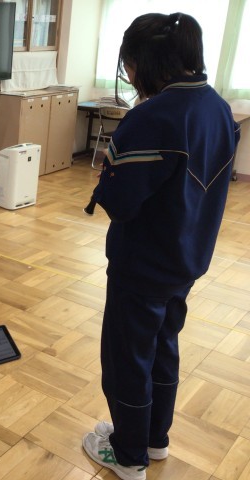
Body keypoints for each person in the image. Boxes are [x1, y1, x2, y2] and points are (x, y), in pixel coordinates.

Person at [81, 12, 240, 480]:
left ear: (145, 64)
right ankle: (154, 439)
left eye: (129, 65)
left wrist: (109, 174)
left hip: (143, 262)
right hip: (187, 256)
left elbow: (121, 202)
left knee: (127, 358)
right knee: (163, 345)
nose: (129, 76)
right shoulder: (217, 107)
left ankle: (128, 455)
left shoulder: (153, 117)